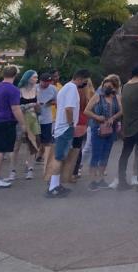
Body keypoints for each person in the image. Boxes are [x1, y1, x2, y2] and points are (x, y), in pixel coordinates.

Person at [46, 68, 89, 197]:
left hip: (62, 126)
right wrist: (71, 124)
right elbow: (69, 108)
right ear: (80, 78)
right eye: (84, 81)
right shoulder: (71, 88)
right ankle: (53, 186)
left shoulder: (65, 88)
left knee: (60, 156)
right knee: (59, 157)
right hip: (65, 127)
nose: (84, 84)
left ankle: (55, 184)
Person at [0, 66, 26, 188]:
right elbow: (15, 108)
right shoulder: (13, 90)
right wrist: (23, 123)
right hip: (6, 120)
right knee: (0, 150)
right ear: (15, 75)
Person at [84, 74, 122, 191]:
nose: (106, 88)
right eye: (105, 86)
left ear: (114, 87)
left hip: (111, 129)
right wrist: (97, 117)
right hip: (97, 128)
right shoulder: (97, 96)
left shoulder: (117, 97)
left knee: (105, 154)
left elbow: (122, 111)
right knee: (96, 154)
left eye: (109, 86)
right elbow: (87, 111)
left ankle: (101, 179)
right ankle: (92, 180)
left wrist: (113, 118)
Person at [10, 69, 40, 181]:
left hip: (32, 119)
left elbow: (38, 108)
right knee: (16, 145)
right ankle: (12, 170)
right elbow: (15, 107)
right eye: (34, 77)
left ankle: (30, 168)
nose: (36, 79)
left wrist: (37, 107)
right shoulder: (19, 91)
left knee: (32, 145)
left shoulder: (36, 90)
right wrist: (29, 105)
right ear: (27, 78)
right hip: (20, 119)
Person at [36, 72, 57, 167]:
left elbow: (57, 100)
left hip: (47, 118)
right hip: (35, 117)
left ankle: (45, 156)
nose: (47, 84)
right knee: (36, 139)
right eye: (45, 82)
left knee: (47, 140)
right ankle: (36, 155)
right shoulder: (34, 88)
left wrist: (51, 102)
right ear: (40, 81)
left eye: (49, 82)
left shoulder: (53, 89)